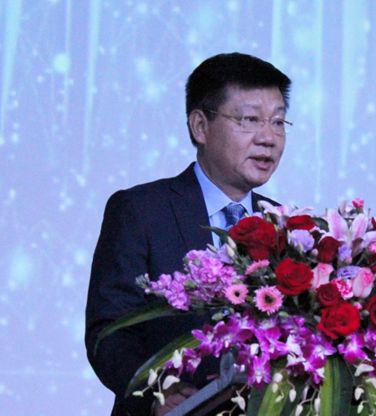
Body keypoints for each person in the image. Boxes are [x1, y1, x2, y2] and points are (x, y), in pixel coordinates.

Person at [85, 52, 292, 415]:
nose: (268, 138)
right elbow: (110, 332)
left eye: (277, 121)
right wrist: (156, 391)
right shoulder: (141, 211)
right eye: (249, 120)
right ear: (200, 126)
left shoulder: (285, 225)